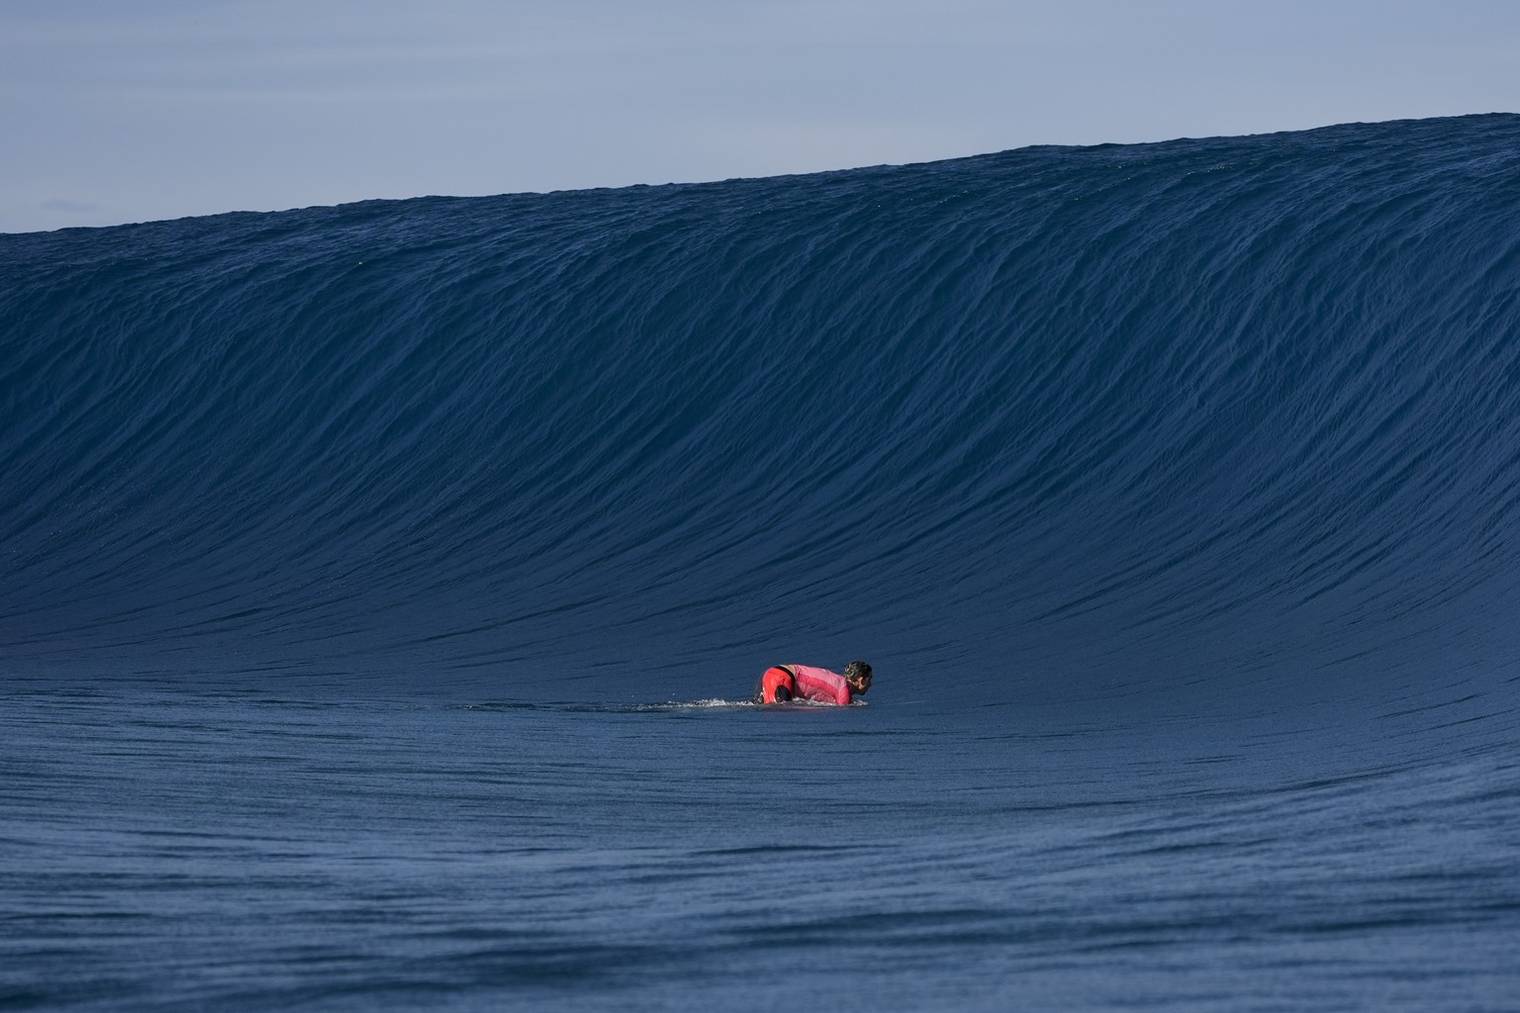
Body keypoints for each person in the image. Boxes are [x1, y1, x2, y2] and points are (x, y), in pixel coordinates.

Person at [755, 660, 872, 705]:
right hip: (782, 678)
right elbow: (843, 708)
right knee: (779, 709)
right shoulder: (843, 689)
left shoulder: (839, 682)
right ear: (861, 680)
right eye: (869, 679)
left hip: (773, 673)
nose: (871, 684)